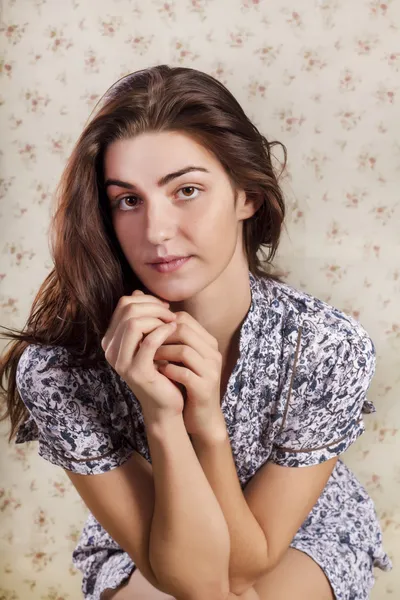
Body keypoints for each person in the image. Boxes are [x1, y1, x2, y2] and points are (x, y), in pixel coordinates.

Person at [0, 65, 392, 600]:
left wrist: (206, 424)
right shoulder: (58, 372)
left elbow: (239, 573)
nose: (157, 231)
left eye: (186, 190)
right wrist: (163, 417)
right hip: (145, 530)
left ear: (246, 196)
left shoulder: (325, 346)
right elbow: (195, 581)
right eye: (128, 200)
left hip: (302, 529)